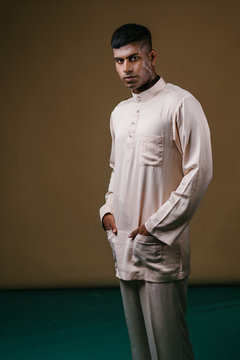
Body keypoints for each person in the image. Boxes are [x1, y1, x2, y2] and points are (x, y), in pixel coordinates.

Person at [100, 23, 212, 360]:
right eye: (119, 61)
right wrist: (106, 212)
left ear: (151, 56)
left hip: (160, 245)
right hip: (124, 245)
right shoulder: (119, 114)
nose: (126, 69)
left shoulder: (180, 104)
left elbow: (199, 173)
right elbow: (117, 171)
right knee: (140, 347)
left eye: (133, 58)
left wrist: (154, 226)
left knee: (169, 347)